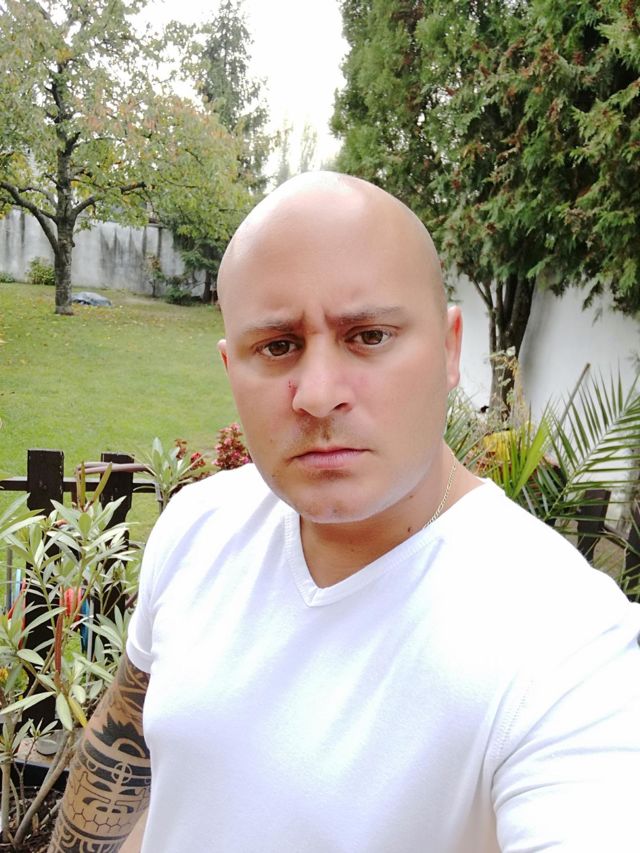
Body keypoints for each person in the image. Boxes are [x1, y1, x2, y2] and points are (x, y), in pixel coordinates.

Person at [49, 173, 640, 853]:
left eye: (369, 335)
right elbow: (124, 753)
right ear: (231, 367)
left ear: (451, 350)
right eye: (278, 346)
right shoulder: (199, 525)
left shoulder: (567, 643)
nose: (319, 393)